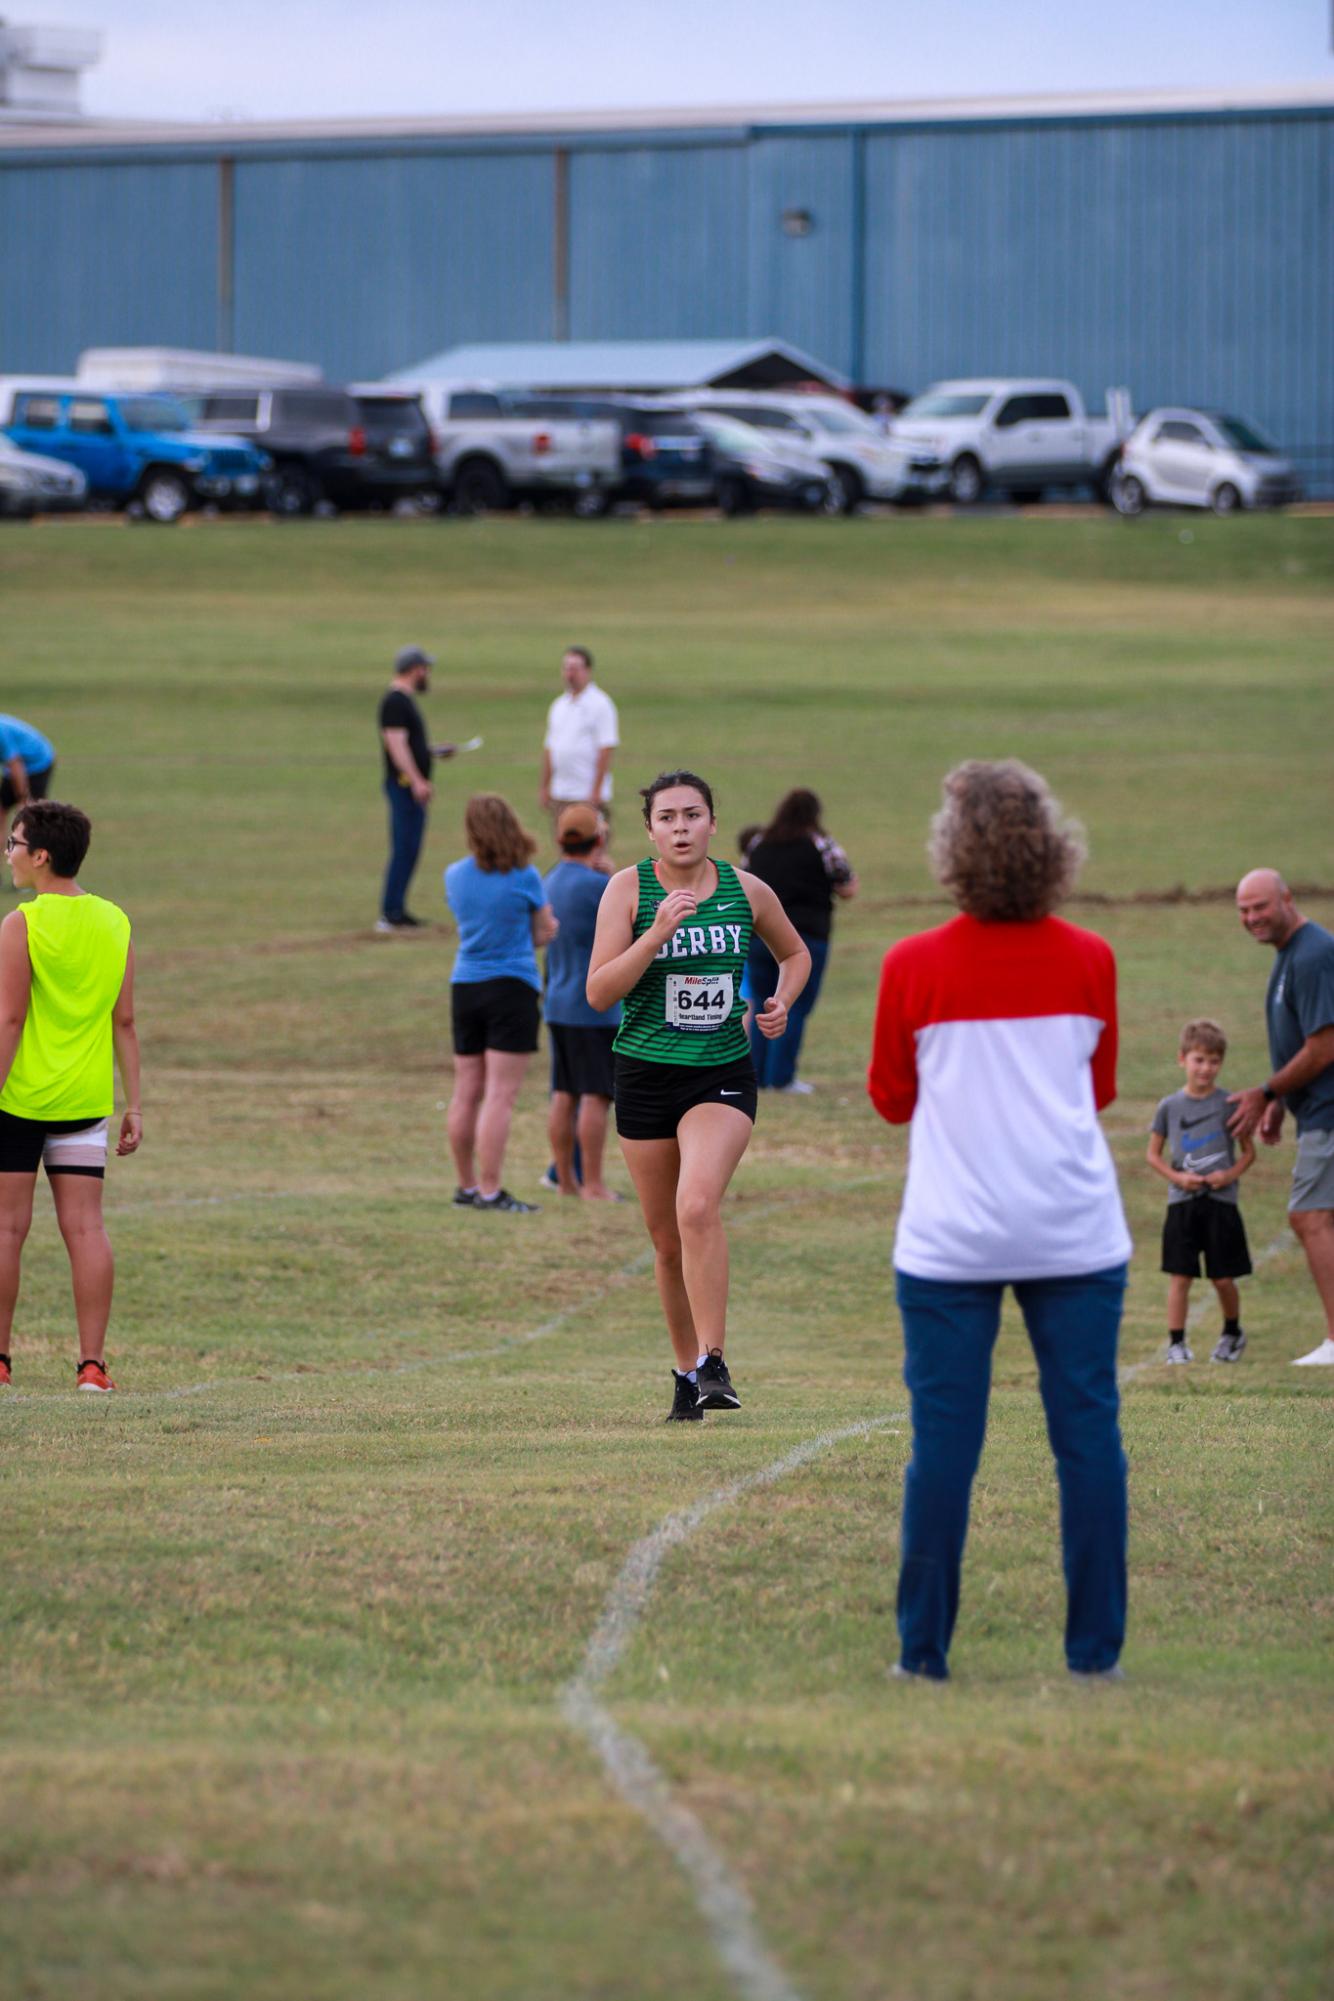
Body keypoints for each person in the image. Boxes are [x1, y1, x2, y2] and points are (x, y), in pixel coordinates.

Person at [868, 760, 1132, 1682]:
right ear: (1051, 845)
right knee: (1088, 1437)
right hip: (1076, 1230)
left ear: (953, 850)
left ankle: (922, 1654)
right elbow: (1096, 1090)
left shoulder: (912, 964)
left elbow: (892, 1101)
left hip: (951, 1239)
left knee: (944, 1446)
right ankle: (1095, 1656)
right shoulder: (1090, 956)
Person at [587, 769, 810, 1420]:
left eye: (692, 815)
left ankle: (715, 1359)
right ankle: (686, 1373)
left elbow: (794, 954)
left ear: (713, 821)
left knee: (697, 1204)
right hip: (643, 1074)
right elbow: (599, 992)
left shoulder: (747, 889)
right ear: (650, 828)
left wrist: (781, 1002)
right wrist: (655, 934)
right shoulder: (627, 889)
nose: (680, 827)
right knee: (665, 1241)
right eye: (667, 817)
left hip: (720, 1072)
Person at [0, 801, 140, 1392]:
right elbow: (125, 1022)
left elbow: (9, 1020)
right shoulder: (115, 920)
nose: (8, 852)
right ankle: (92, 1367)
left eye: (14, 842)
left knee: (7, 1229)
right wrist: (135, 1104)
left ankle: (1, 1364)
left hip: (19, 1100)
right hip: (85, 1100)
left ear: (42, 856)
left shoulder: (21, 924)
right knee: (86, 1229)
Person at [1228, 868, 1334, 1366]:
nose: (1252, 918)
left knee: (1309, 1216)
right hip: (1313, 1110)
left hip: (1329, 1112)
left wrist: (1266, 1091)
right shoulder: (1290, 956)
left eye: (1260, 906)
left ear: (1287, 899)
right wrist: (1279, 1103)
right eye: (1244, 910)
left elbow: (1324, 1046)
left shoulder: (1312, 956)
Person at [444, 795, 556, 1213]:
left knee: (465, 1092)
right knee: (499, 1096)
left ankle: (465, 1185)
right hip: (511, 987)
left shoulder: (454, 875)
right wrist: (544, 930)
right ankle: (491, 1190)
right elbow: (542, 933)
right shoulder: (524, 876)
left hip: (466, 986)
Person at [1147, 1019, 1254, 1363]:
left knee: (1223, 1278)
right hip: (1183, 1203)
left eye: (1213, 1061)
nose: (1205, 1068)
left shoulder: (1230, 1103)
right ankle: (1176, 1343)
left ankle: (1232, 1333)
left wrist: (1229, 1174)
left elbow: (1249, 1152)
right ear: (1183, 1059)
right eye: (1199, 1059)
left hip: (1221, 1202)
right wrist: (1178, 1179)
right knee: (1181, 1276)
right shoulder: (1170, 1106)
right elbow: (1153, 1154)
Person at [744, 788, 857, 1093]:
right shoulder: (821, 843)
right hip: (805, 938)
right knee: (792, 1005)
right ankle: (781, 1079)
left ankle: (756, 1076)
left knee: (762, 1004)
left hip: (757, 937)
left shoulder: (759, 842)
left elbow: (742, 879)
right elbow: (847, 886)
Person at [542, 806, 622, 1201]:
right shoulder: (598, 887)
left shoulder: (549, 881)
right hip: (594, 1007)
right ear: (600, 839)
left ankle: (566, 1182)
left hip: (557, 1002)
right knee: (595, 1095)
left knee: (564, 1093)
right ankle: (593, 1184)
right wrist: (610, 876)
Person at [377, 645, 456, 933]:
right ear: (415, 669)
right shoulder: (395, 702)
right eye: (425, 668)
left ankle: (397, 909)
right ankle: (391, 912)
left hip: (407, 785)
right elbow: (396, 745)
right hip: (403, 787)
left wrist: (431, 752)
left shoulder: (403, 701)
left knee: (410, 848)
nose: (427, 674)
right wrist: (417, 781)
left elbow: (409, 746)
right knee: (404, 847)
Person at [538, 647, 618, 844]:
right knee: (565, 847)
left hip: (585, 793)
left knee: (592, 847)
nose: (570, 674)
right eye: (567, 668)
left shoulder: (600, 704)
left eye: (575, 668)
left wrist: (596, 791)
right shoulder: (558, 705)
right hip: (561, 792)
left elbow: (605, 749)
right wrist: (545, 786)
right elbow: (550, 748)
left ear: (587, 671)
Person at [0, 714, 56, 824]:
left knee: (32, 811)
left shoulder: (1, 732)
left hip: (38, 762)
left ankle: (39, 839)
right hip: (13, 767)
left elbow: (16, 765)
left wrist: (23, 798)